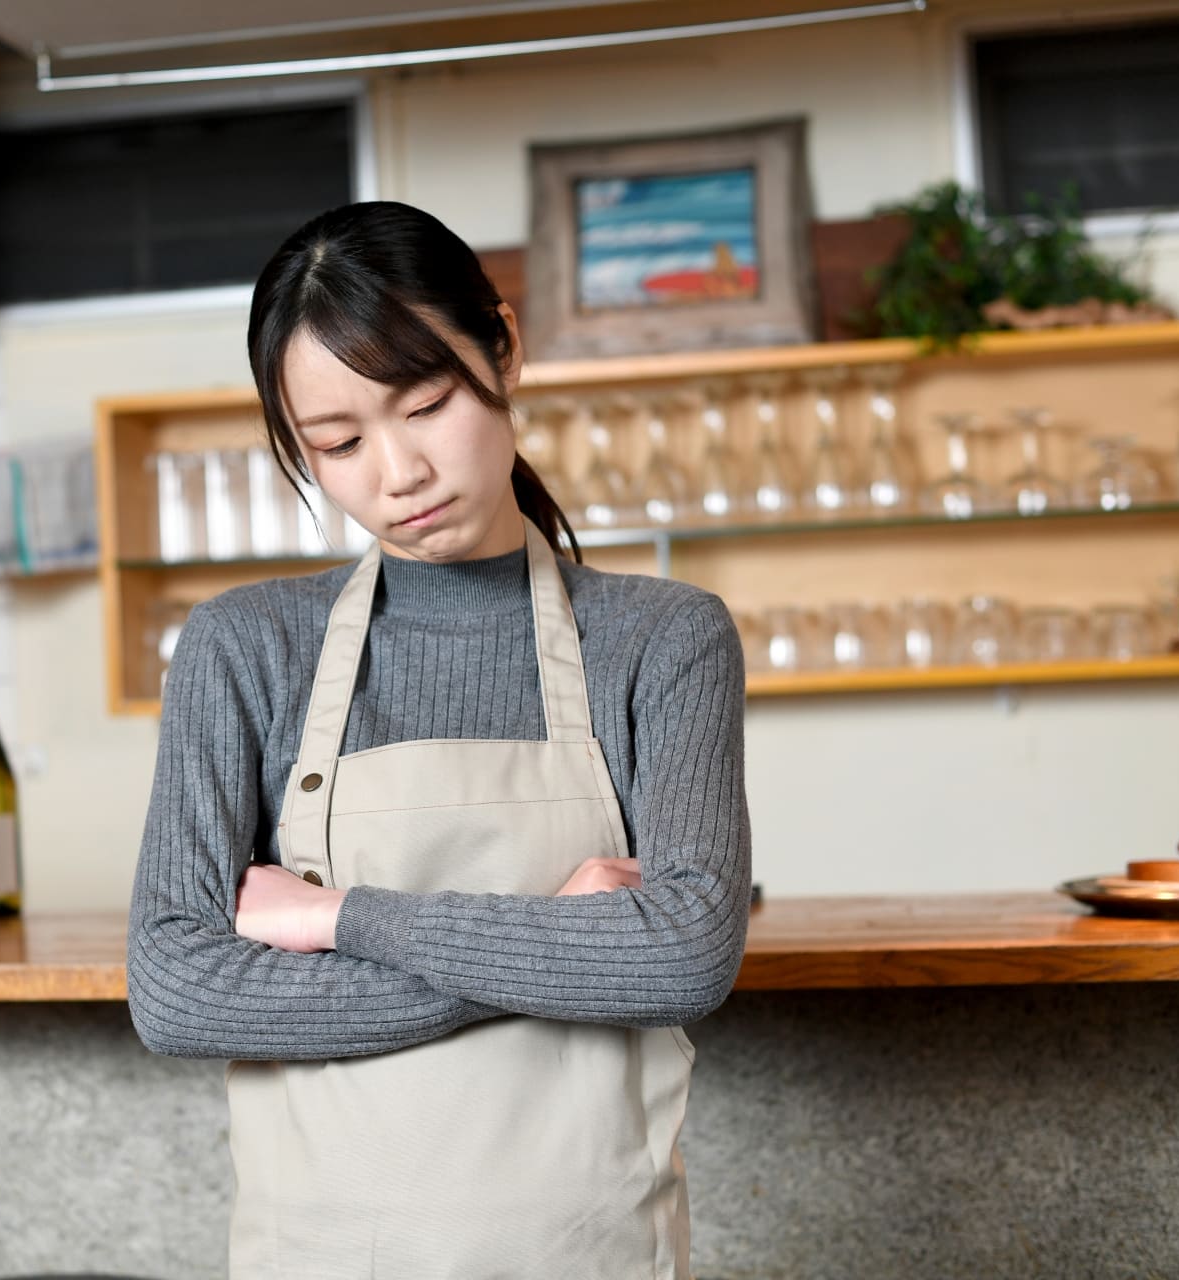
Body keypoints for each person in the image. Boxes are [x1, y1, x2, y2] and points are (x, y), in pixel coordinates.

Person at [126, 200, 751, 1279]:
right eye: (339, 442)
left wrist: (333, 916)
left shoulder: (663, 638)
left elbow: (684, 953)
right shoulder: (243, 648)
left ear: (502, 347)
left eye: (424, 404)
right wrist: (555, 939)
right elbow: (180, 989)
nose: (397, 471)